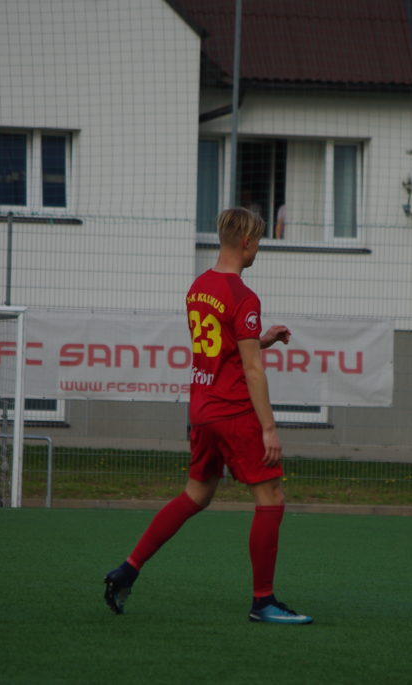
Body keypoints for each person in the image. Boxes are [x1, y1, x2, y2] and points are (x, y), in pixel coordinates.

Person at [103, 207, 313, 624]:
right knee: (271, 497)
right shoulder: (244, 296)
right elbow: (252, 370)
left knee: (196, 495)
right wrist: (269, 428)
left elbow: (223, 347)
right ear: (247, 242)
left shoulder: (199, 287)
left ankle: (127, 569)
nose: (258, 250)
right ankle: (263, 602)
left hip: (202, 409)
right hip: (234, 411)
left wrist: (261, 339)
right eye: (259, 242)